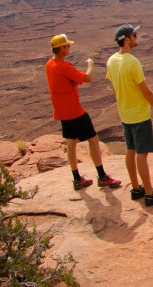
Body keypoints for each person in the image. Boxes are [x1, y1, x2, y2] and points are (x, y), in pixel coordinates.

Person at [45, 34, 122, 191]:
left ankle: (77, 179)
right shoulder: (64, 66)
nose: (70, 48)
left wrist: (72, 82)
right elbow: (88, 78)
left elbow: (61, 82)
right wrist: (90, 65)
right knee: (93, 140)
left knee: (71, 143)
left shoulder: (49, 64)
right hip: (74, 111)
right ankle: (102, 177)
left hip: (62, 112)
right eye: (68, 46)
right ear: (61, 48)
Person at [106, 24, 153, 207]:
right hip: (139, 115)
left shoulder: (111, 60)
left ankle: (136, 189)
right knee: (142, 155)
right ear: (127, 39)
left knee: (130, 150)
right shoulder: (132, 62)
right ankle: (150, 194)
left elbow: (114, 89)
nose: (137, 37)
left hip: (125, 114)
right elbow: (146, 92)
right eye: (134, 35)